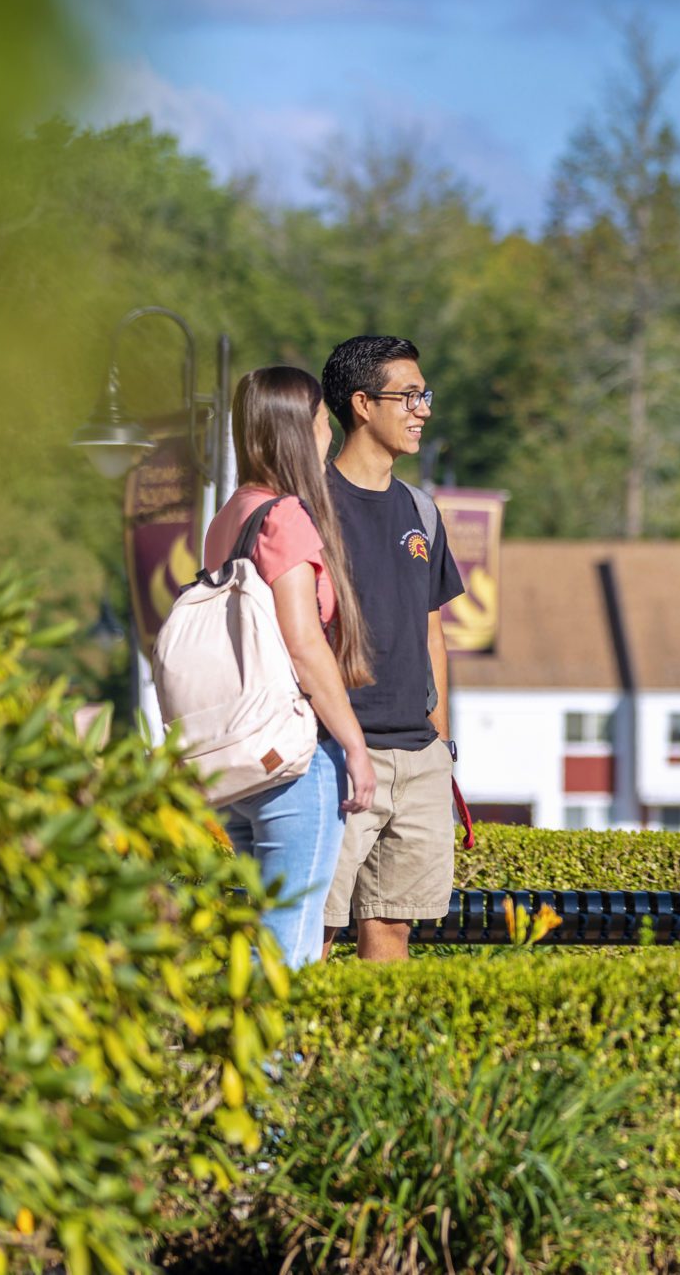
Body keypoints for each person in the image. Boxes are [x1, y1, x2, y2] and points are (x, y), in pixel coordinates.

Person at [200, 366, 380, 968]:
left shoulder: (230, 516)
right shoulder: (286, 517)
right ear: (299, 432)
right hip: (293, 759)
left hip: (238, 757)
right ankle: (271, 1063)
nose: (329, 433)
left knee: (259, 929)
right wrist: (354, 746)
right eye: (323, 422)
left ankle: (237, 1057)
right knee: (291, 943)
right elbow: (304, 643)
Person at [319, 334, 464, 963]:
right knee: (312, 930)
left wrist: (442, 743)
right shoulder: (308, 506)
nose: (422, 408)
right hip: (334, 756)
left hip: (418, 758)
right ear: (361, 404)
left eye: (422, 394)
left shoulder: (421, 510)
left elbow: (432, 629)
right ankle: (288, 1061)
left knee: (393, 929)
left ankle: (377, 1063)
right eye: (407, 395)